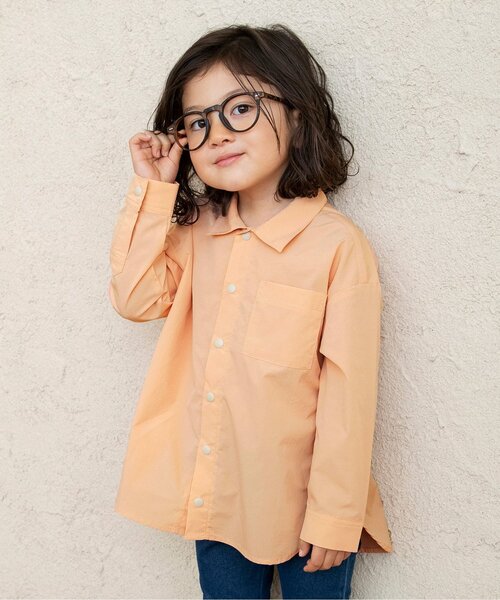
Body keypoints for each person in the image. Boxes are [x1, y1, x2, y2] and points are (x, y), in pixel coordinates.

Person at [108, 23, 393, 600]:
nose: (217, 134)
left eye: (240, 108)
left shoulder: (337, 246)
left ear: (297, 116)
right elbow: (135, 298)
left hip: (305, 510)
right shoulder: (197, 232)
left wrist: (336, 514)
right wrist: (154, 189)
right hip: (214, 496)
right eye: (197, 122)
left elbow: (349, 391)